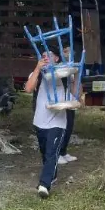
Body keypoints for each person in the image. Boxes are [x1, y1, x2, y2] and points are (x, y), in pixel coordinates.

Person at [25, 51, 69, 199]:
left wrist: (77, 79)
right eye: (42, 55)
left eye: (49, 55)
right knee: (45, 152)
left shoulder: (64, 72)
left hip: (58, 121)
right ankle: (53, 175)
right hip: (40, 120)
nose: (45, 57)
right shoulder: (38, 72)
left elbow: (77, 92)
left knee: (51, 153)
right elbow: (28, 89)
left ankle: (44, 184)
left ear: (56, 58)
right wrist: (37, 69)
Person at [57, 47, 77, 165]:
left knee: (69, 127)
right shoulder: (57, 67)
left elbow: (73, 85)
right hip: (60, 102)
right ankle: (57, 153)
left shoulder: (70, 66)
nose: (68, 54)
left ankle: (63, 152)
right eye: (65, 51)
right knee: (61, 128)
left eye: (70, 52)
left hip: (69, 101)